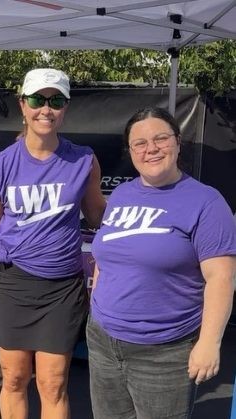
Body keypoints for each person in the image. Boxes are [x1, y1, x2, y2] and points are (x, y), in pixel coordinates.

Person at [88, 107, 236, 419]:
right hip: (104, 340)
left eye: (160, 138)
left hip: (164, 351)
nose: (151, 148)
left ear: (178, 142)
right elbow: (105, 256)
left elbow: (221, 278)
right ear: (130, 151)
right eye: (139, 143)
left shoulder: (206, 203)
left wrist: (209, 342)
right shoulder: (121, 194)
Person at [0, 68, 106, 418]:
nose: (45, 109)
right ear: (22, 105)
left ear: (65, 107)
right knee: (15, 378)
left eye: (56, 101)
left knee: (52, 383)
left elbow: (98, 218)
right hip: (13, 283)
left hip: (62, 288)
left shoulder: (84, 160)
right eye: (37, 99)